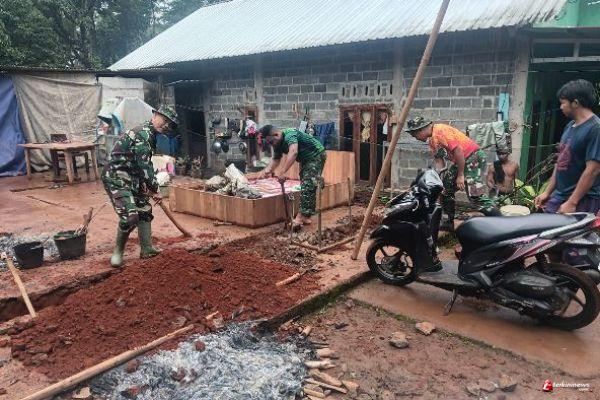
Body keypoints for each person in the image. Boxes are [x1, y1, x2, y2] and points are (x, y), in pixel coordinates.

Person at [102, 105, 179, 268]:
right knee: (131, 216)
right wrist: (155, 189)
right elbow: (145, 167)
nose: (166, 125)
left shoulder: (151, 134)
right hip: (117, 176)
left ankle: (147, 249)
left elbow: (141, 165)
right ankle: (118, 252)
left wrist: (145, 184)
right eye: (164, 119)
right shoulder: (143, 134)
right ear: (154, 115)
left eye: (169, 123)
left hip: (133, 176)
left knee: (144, 209)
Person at [406, 116, 499, 231]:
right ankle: (448, 223)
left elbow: (458, 150)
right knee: (446, 189)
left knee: (475, 195)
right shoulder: (432, 141)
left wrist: (460, 175)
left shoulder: (440, 131)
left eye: (414, 135)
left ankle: (500, 222)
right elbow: (439, 162)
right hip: (461, 160)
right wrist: (438, 181)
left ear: (420, 130)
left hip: (473, 156)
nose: (415, 138)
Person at [535, 79, 600, 214]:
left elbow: (593, 170)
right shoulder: (570, 126)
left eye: (563, 102)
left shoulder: (595, 128)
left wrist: (572, 202)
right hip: (560, 195)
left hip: (581, 200)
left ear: (575, 103)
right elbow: (561, 162)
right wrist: (547, 192)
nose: (561, 107)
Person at [257, 125, 326, 229]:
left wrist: (283, 172)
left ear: (276, 135)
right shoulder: (277, 143)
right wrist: (266, 171)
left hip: (316, 154)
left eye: (271, 142)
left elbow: (294, 152)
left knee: (308, 184)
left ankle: (300, 218)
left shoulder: (290, 134)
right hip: (305, 159)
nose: (271, 144)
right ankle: (306, 216)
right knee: (307, 184)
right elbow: (276, 159)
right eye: (269, 142)